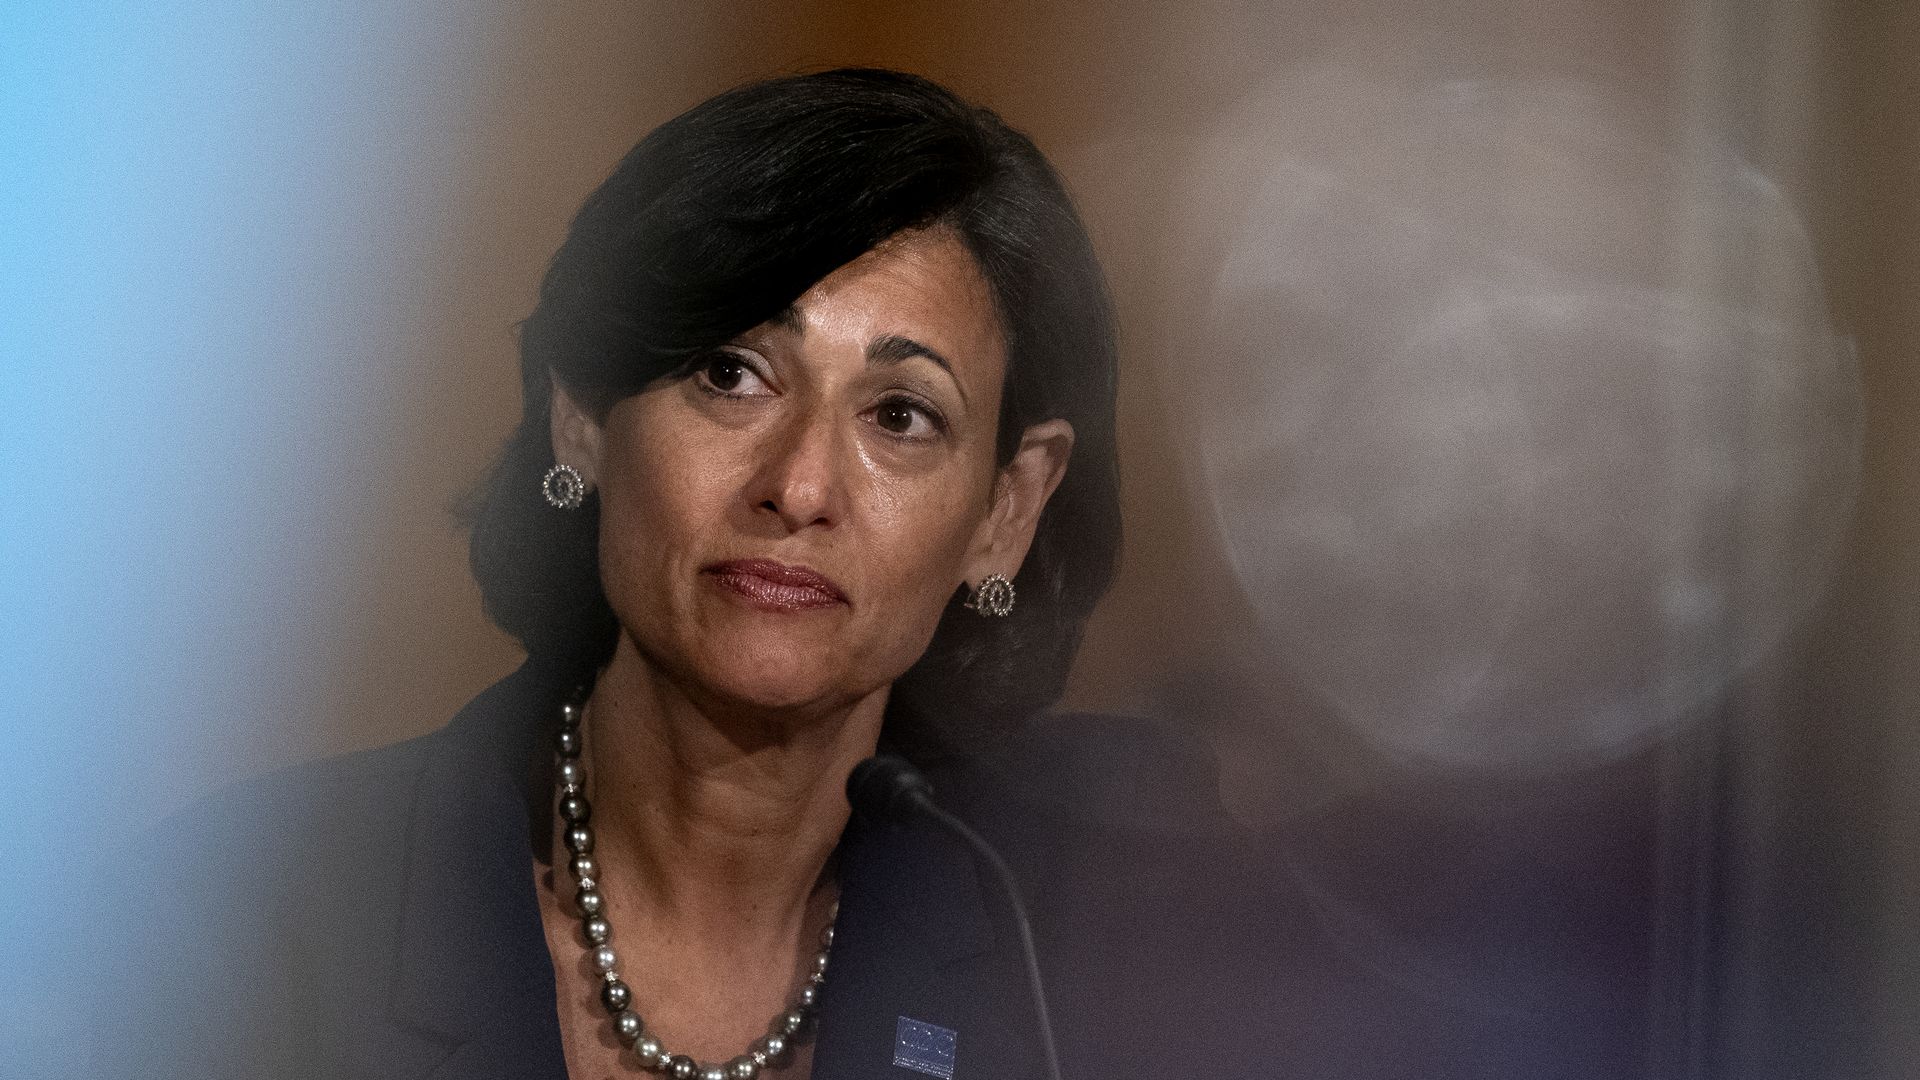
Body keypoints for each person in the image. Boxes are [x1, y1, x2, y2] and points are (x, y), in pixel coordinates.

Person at [101, 69, 1463, 1080]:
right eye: (731, 374)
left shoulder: (1105, 935)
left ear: (1005, 511)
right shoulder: (240, 930)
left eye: (901, 417)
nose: (799, 486)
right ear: (583, 416)